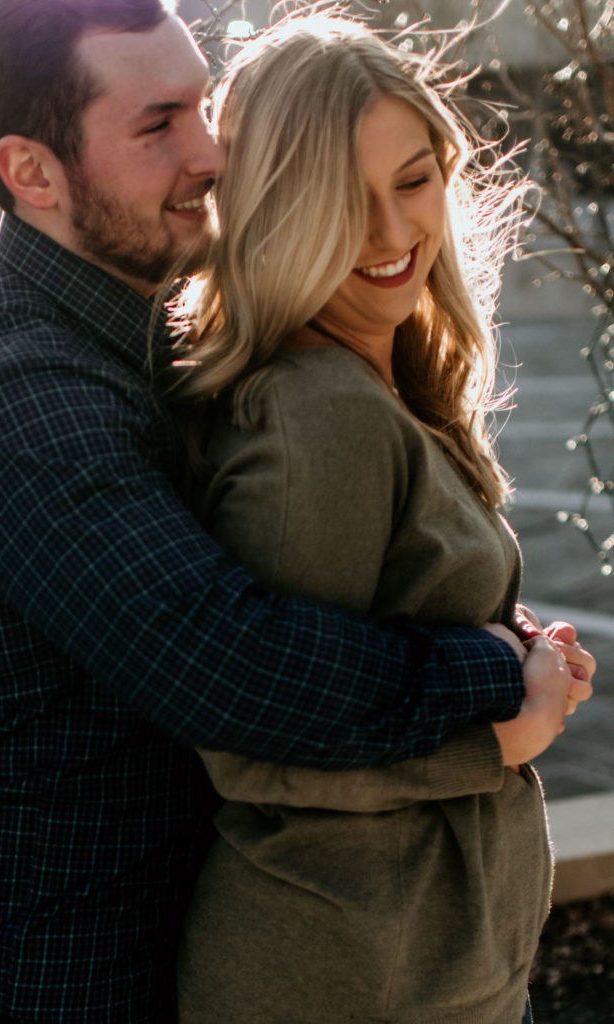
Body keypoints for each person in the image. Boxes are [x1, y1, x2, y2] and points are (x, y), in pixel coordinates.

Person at [0, 2, 587, 1023]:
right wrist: (494, 680)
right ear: (32, 172)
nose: (211, 154)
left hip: (168, 938)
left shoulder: (152, 320)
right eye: (158, 125)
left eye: (203, 106)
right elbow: (227, 661)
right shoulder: (12, 390)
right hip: (33, 967)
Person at [171, 12, 596, 1024]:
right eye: (341, 200)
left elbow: (380, 642)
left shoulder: (385, 372)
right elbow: (259, 746)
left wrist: (515, 652)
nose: (394, 233)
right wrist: (504, 734)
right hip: (348, 980)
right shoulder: (319, 410)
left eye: (412, 181)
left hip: (425, 972)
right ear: (272, 205)